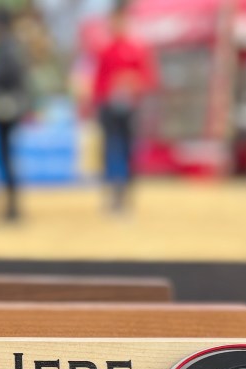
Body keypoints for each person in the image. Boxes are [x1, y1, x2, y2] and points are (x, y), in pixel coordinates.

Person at [91, 2, 157, 213]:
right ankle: (112, 192)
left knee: (128, 150)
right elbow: (98, 83)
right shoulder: (105, 50)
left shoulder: (137, 49)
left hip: (130, 107)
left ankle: (125, 194)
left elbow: (149, 79)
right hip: (108, 107)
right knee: (110, 149)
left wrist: (132, 82)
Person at [0, 10, 29, 222]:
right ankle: (11, 205)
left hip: (6, 111)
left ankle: (12, 207)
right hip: (8, 109)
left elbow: (3, 76)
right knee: (6, 157)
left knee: (6, 157)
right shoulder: (9, 46)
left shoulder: (7, 48)